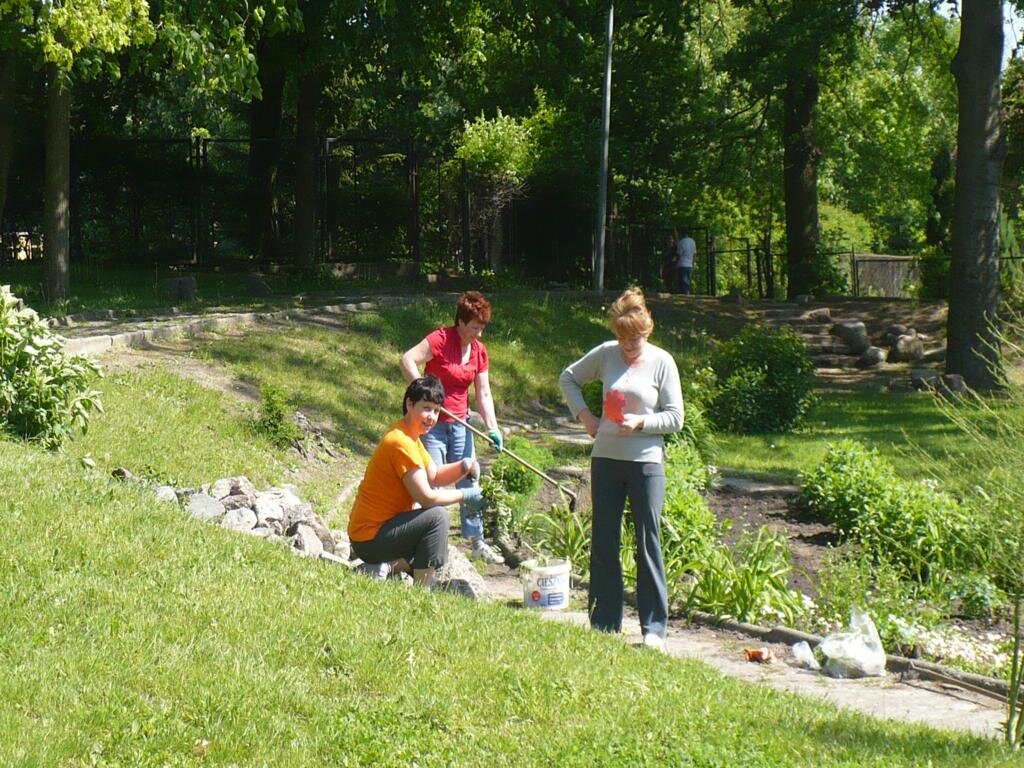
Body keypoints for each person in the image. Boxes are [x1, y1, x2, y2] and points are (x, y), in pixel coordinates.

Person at [558, 288, 683, 651]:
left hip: (646, 463)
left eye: (636, 339)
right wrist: (585, 417)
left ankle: (654, 628)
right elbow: (568, 377)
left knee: (648, 540)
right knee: (604, 539)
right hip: (606, 459)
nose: (629, 346)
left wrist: (641, 423)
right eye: (623, 338)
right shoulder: (606, 353)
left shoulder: (662, 361)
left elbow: (675, 418)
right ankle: (604, 623)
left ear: (648, 331)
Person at [347, 375, 488, 587]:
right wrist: (466, 495)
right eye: (426, 408)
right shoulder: (400, 442)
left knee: (431, 524)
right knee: (437, 517)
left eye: (437, 411)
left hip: (378, 531)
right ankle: (423, 588)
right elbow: (427, 498)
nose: (432, 417)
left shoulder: (410, 435)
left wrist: (464, 466)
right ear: (409, 404)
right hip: (369, 538)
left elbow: (434, 475)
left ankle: (388, 568)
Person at [400, 290, 506, 565]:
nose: (479, 333)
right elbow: (407, 359)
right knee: (433, 482)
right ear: (460, 322)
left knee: (469, 478)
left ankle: (477, 543)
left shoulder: (479, 351)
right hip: (432, 426)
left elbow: (483, 392)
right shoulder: (440, 339)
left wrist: (493, 428)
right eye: (474, 327)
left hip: (461, 425)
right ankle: (431, 541)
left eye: (482, 328)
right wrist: (426, 395)